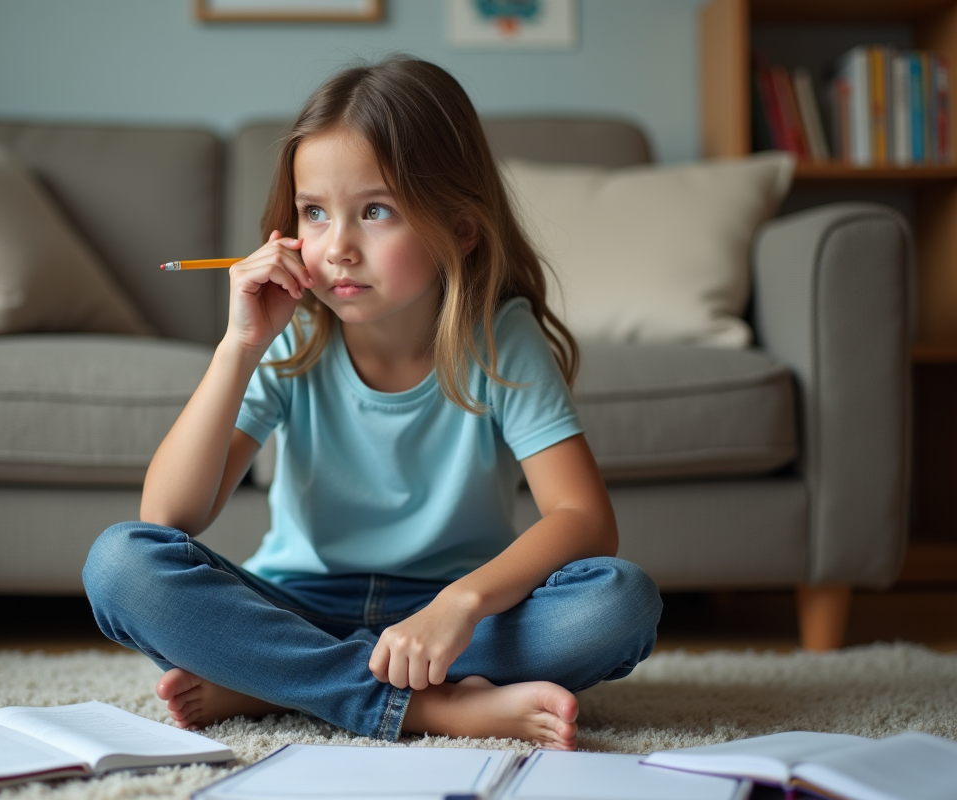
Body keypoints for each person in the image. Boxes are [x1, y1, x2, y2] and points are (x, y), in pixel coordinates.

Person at [83, 56, 661, 749]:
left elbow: (584, 519)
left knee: (619, 602)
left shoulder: (499, 338)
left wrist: (461, 603)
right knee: (119, 563)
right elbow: (167, 518)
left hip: (448, 620)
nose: (338, 248)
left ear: (461, 228)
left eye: (376, 211)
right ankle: (427, 708)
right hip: (295, 609)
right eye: (314, 214)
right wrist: (239, 346)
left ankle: (275, 681)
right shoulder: (290, 333)